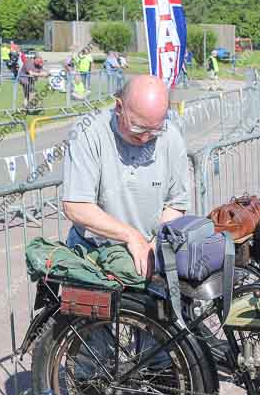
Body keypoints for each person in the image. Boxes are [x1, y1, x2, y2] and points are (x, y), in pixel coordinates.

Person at [62, 74, 188, 277]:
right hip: (94, 256)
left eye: (154, 130)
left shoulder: (171, 136)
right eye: (137, 128)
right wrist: (130, 236)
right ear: (119, 107)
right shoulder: (88, 132)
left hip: (149, 253)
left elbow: (176, 203)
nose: (145, 137)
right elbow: (76, 206)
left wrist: (155, 246)